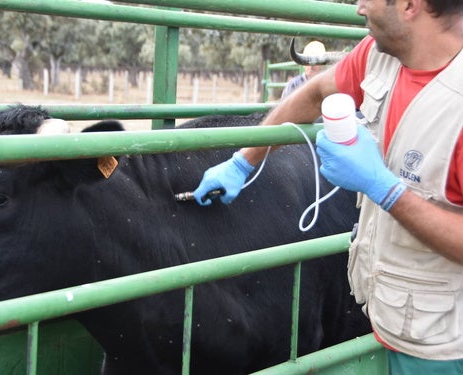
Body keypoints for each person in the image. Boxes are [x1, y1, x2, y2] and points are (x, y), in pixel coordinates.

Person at [192, 0, 463, 373]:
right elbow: (316, 93)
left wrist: (385, 189)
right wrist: (244, 161)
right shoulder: (379, 56)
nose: (358, 8)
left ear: (410, 5)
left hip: (444, 345)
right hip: (387, 316)